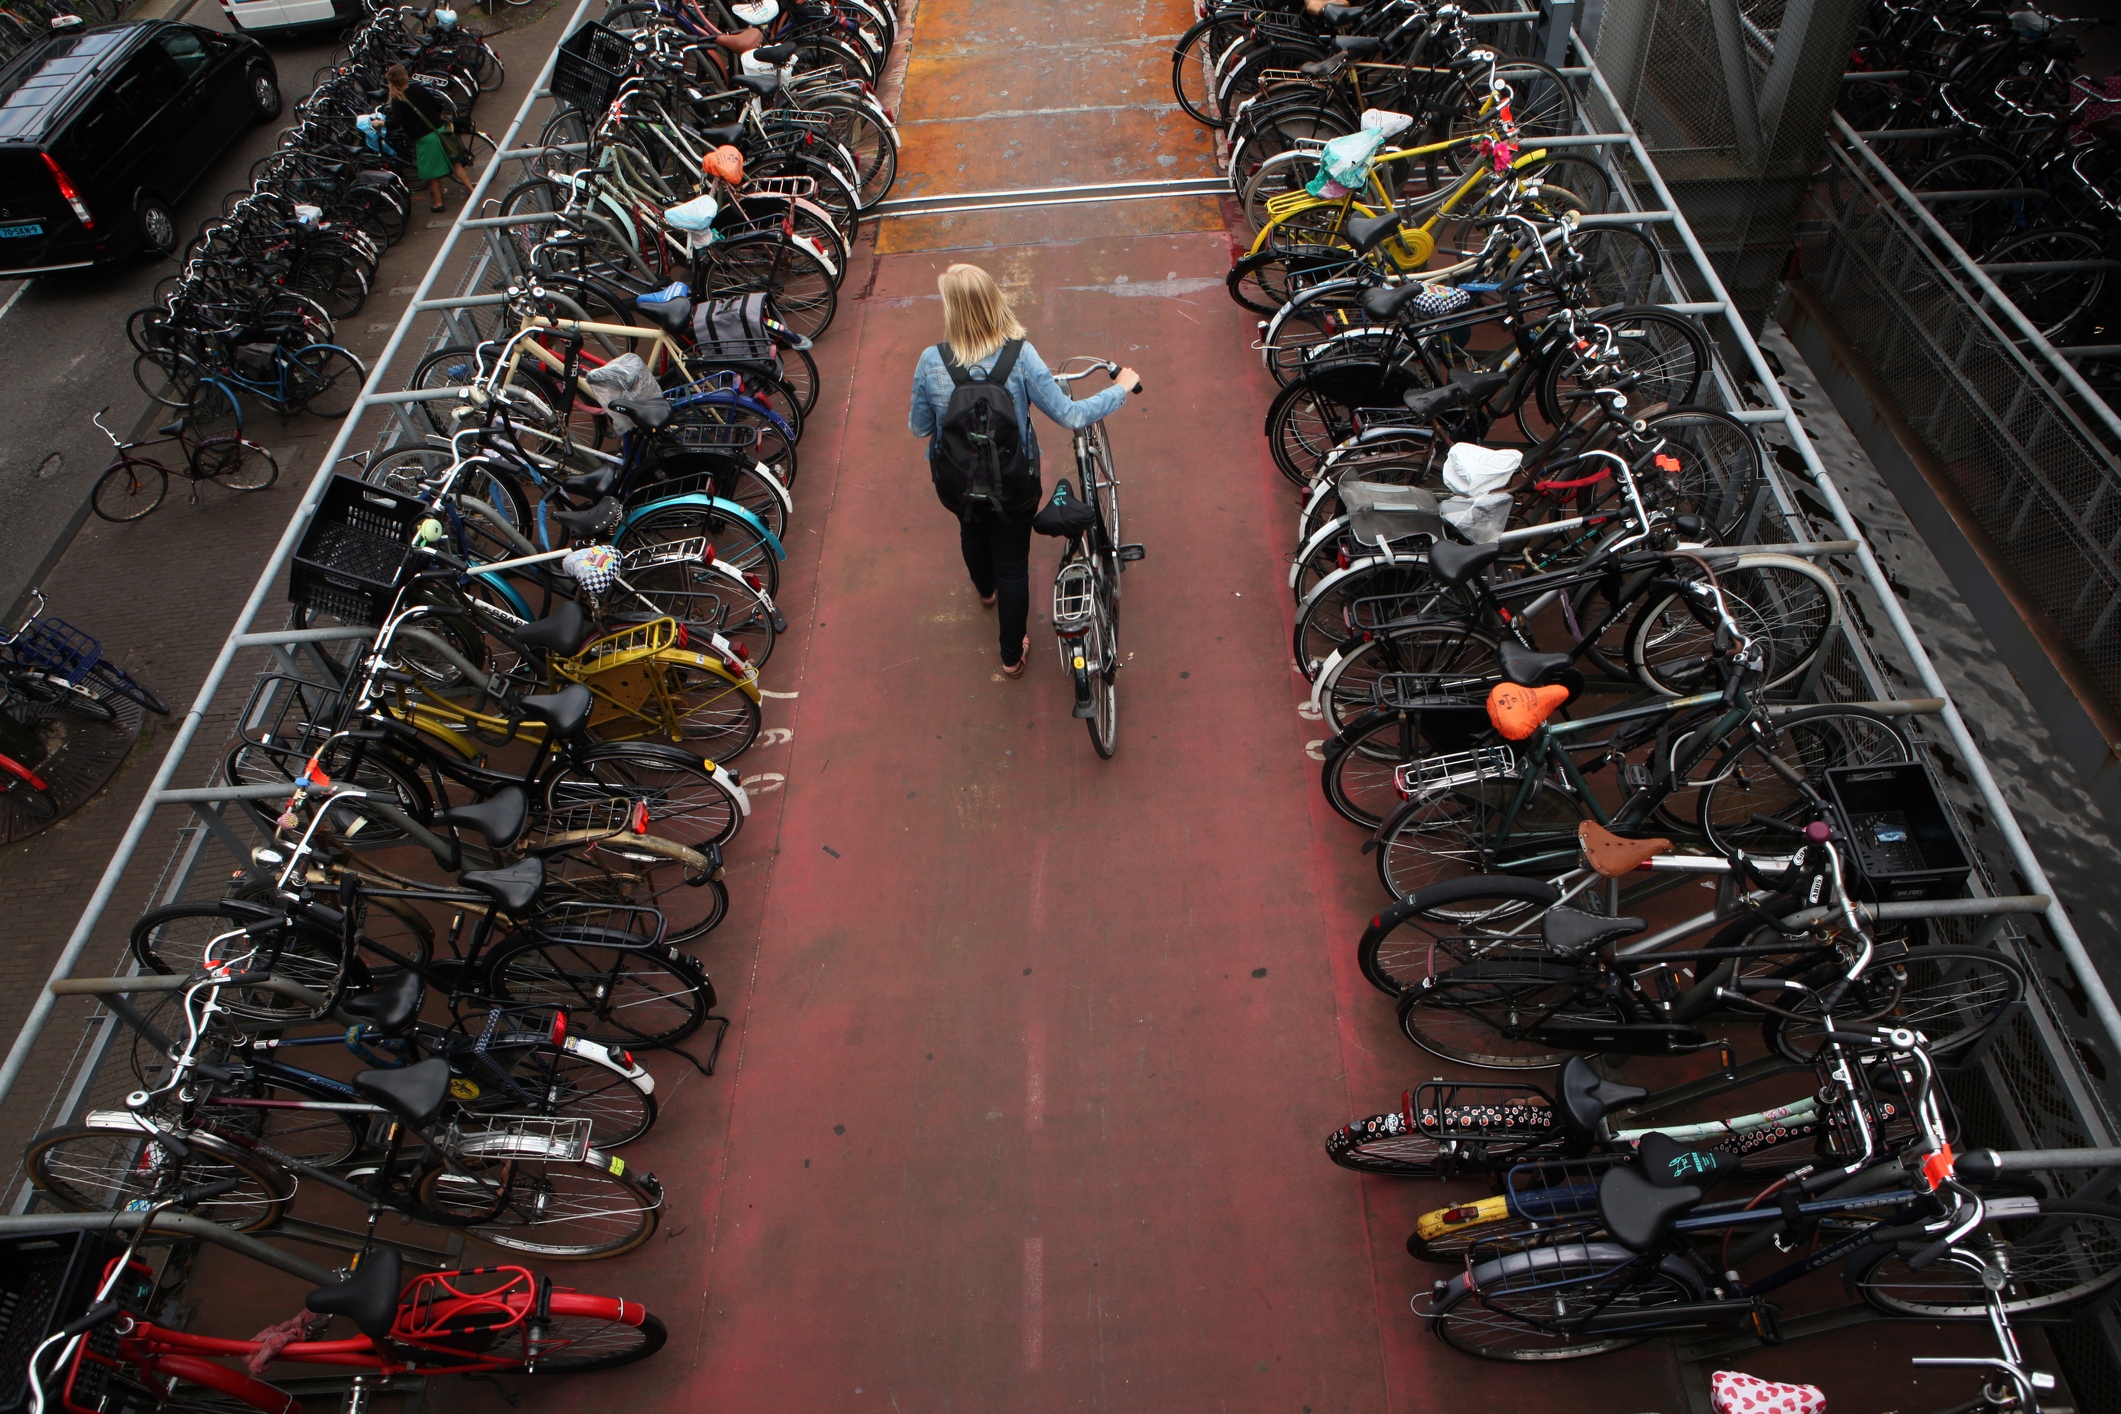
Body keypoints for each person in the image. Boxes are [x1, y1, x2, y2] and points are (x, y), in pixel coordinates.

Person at [909, 264, 1140, 678]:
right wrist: (1119, 389)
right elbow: (1070, 415)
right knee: (1014, 563)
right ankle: (1011, 655)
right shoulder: (1020, 355)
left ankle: (985, 591)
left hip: (957, 484)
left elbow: (920, 427)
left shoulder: (931, 361)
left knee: (971, 532)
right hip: (1014, 484)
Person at [386, 65, 472, 213]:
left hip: (425, 139)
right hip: (440, 131)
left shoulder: (397, 100)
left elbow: (395, 123)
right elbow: (438, 105)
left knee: (433, 174)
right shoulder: (419, 88)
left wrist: (380, 123)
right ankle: (472, 189)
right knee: (455, 163)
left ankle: (438, 203)